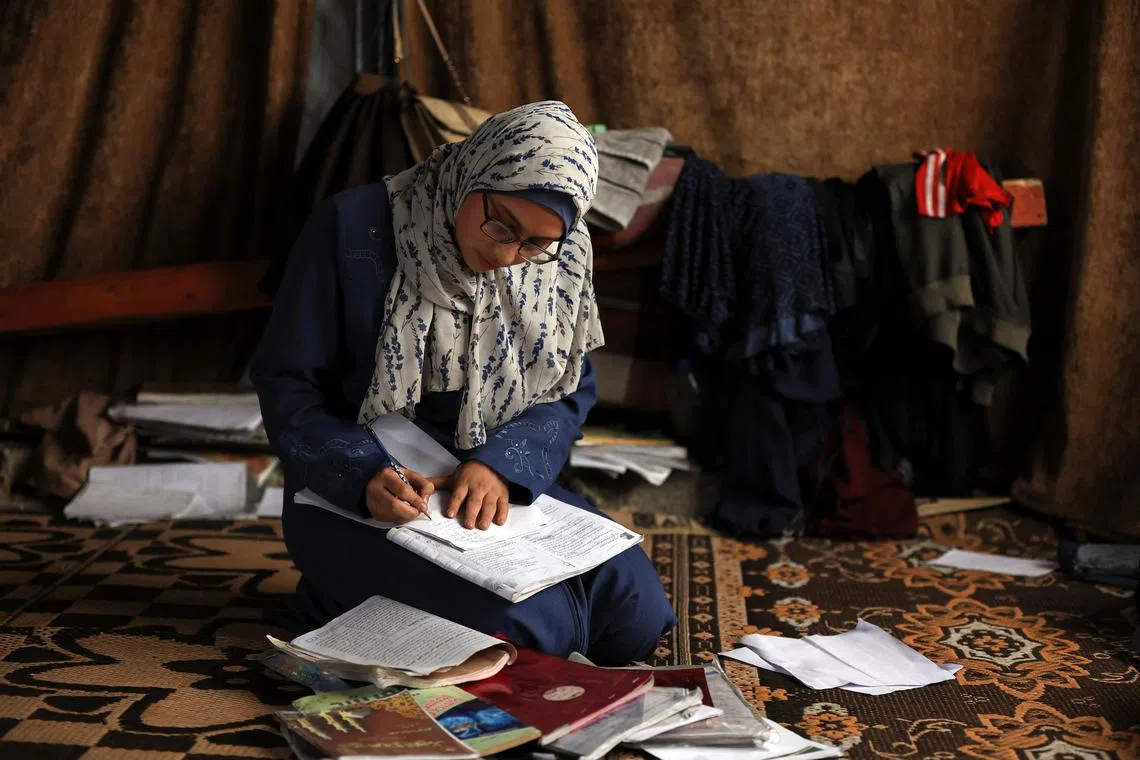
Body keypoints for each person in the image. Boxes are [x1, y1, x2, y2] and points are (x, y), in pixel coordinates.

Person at [251, 101, 676, 665]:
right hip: (370, 490)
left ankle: (387, 603)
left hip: (490, 491)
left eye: (532, 245)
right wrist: (360, 473)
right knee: (530, 631)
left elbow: (568, 386)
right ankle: (335, 599)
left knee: (634, 615)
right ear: (476, 171)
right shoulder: (354, 228)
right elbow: (288, 381)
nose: (506, 256)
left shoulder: (562, 256)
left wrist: (499, 465)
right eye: (500, 224)